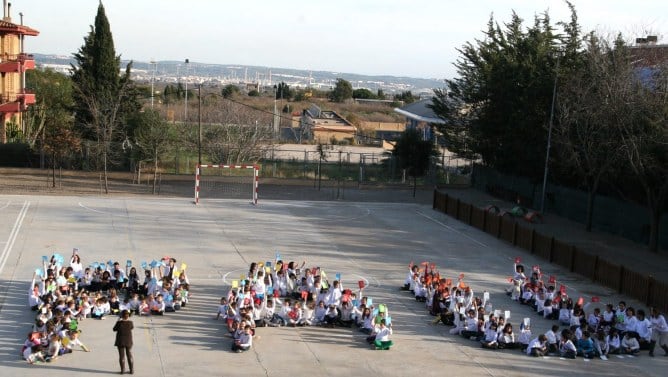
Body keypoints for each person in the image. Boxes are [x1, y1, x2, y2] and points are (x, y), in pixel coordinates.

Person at [113, 310, 134, 374]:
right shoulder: (130, 322)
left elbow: (114, 329)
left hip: (120, 341)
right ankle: (131, 370)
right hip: (128, 340)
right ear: (128, 316)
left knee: (122, 356)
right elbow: (132, 328)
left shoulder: (119, 323)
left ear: (121, 316)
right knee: (129, 355)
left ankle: (123, 370)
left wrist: (118, 320)